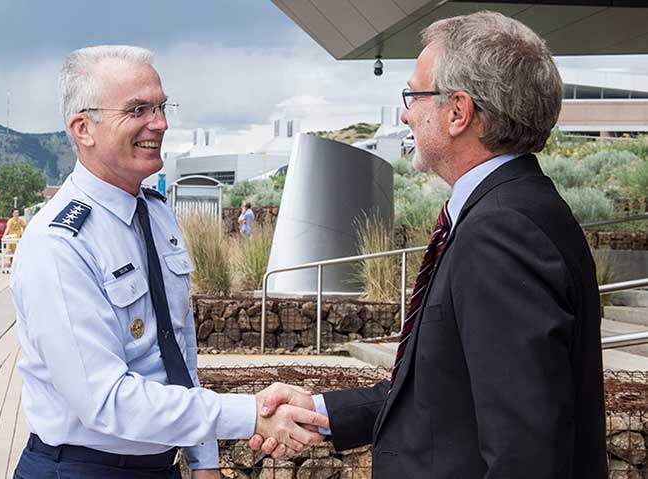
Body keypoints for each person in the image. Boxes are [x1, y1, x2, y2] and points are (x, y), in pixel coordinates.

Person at [250, 11, 607, 478]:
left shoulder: (500, 232)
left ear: (458, 112)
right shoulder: (516, 209)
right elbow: (444, 395)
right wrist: (318, 410)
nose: (405, 112)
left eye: (413, 95)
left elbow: (525, 451)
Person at [10, 45, 328, 479]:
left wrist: (203, 459)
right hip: (82, 468)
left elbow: (177, 351)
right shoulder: (60, 243)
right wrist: (251, 414)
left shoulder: (157, 213)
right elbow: (105, 400)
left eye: (161, 107)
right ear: (83, 128)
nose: (159, 123)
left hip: (162, 467)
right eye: (138, 109)